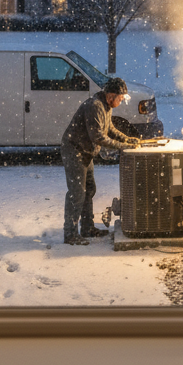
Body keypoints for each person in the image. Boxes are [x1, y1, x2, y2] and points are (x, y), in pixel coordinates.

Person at [61, 76, 137, 244]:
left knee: (89, 189)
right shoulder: (94, 106)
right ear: (111, 96)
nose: (121, 101)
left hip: (85, 152)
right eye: (120, 98)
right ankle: (70, 234)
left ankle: (87, 228)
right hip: (75, 150)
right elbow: (98, 137)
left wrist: (127, 139)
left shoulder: (105, 106)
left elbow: (109, 128)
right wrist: (121, 146)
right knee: (77, 193)